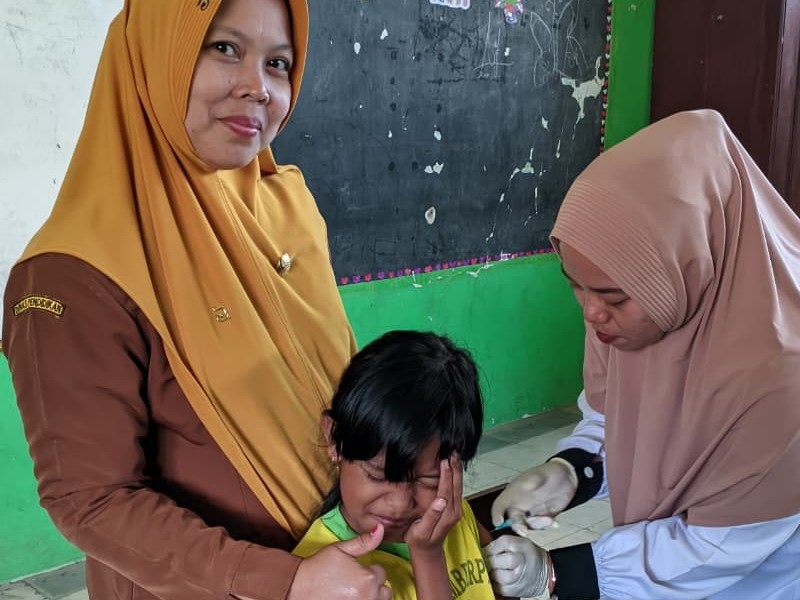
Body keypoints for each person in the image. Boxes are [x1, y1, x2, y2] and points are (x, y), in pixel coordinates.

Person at [1, 1, 394, 598]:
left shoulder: (288, 207)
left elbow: (333, 388)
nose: (258, 87)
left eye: (279, 62)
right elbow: (90, 500)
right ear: (153, 57)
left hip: (341, 566)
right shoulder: (71, 275)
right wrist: (286, 582)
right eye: (224, 48)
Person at [483, 109, 800, 599]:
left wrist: (558, 572)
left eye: (613, 297)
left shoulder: (779, 377)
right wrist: (573, 469)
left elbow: (717, 548)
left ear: (689, 265)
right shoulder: (634, 316)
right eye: (576, 285)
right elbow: (618, 420)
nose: (592, 313)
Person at [293, 330, 496, 600]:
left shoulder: (451, 516)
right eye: (377, 475)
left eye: (429, 481)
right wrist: (428, 556)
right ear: (334, 439)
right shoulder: (323, 577)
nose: (399, 505)